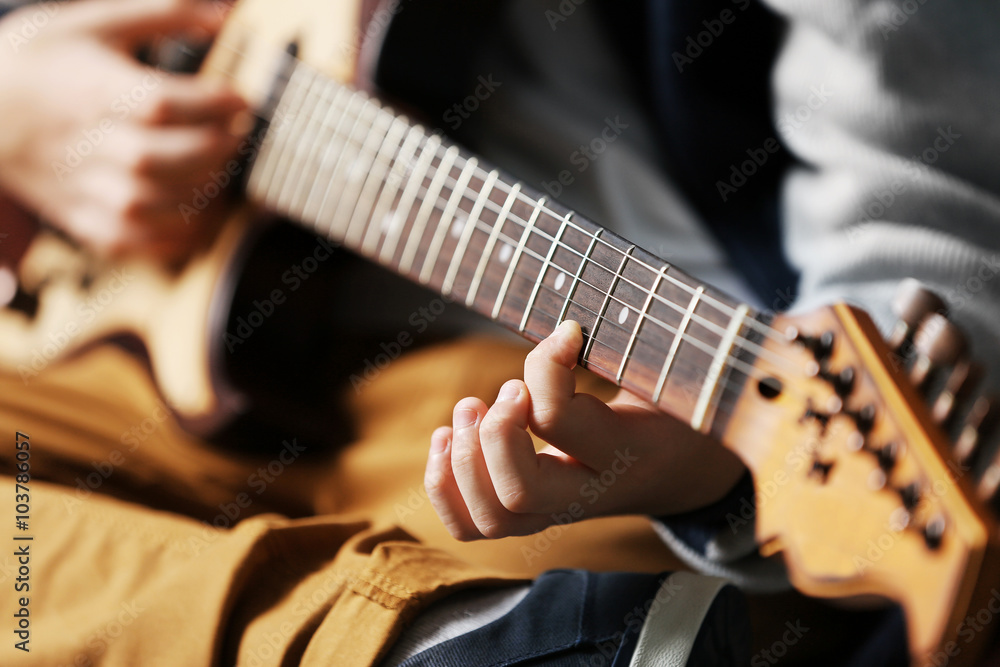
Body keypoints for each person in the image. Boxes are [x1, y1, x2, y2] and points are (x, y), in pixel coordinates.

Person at [1, 0, 998, 666]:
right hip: (121, 342)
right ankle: (428, 642)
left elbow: (936, 221)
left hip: (532, 406)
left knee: (584, 563)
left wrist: (720, 478)